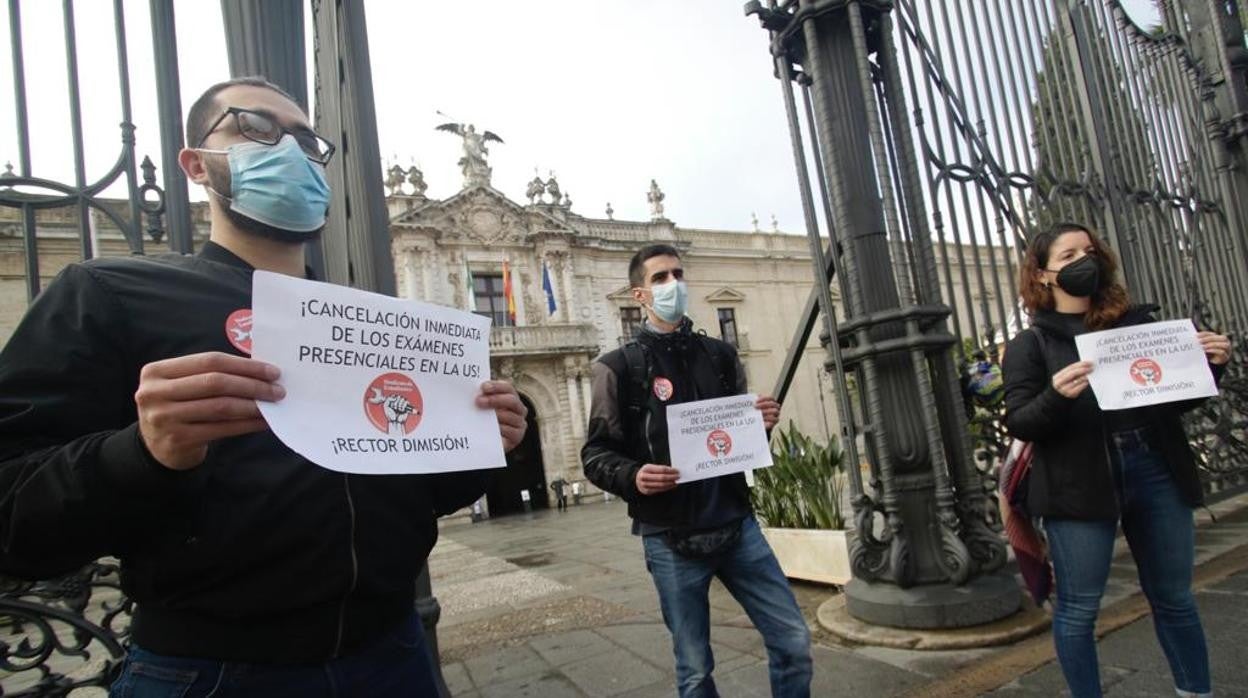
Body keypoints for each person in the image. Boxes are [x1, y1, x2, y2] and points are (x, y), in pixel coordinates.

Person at [0, 77, 528, 697]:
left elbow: (406, 498)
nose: (289, 150)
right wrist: (140, 452)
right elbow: (13, 512)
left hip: (394, 654)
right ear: (198, 163)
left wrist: (481, 445)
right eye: (255, 128)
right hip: (211, 670)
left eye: (307, 142)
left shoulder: (372, 322)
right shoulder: (109, 295)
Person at [1002, 222, 1232, 698]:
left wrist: (1211, 367)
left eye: (1089, 251)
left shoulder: (1136, 326)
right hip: (1078, 484)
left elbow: (1174, 399)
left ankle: (1196, 691)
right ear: (1043, 275)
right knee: (1080, 608)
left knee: (1174, 598)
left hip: (1156, 468)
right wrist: (1057, 396)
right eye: (1067, 256)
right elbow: (1022, 421)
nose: (1082, 261)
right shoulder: (1032, 345)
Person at [582, 244, 812, 698]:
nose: (674, 285)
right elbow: (595, 454)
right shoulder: (617, 368)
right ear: (640, 295)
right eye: (661, 278)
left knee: (794, 641)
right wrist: (634, 477)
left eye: (678, 274)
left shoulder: (721, 356)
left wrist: (758, 425)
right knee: (694, 671)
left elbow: (739, 448)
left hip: (737, 526)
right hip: (669, 538)